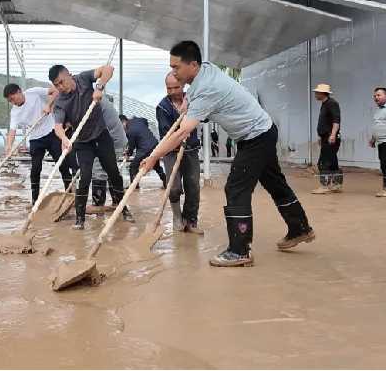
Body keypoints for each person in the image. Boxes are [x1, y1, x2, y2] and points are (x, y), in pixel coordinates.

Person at [140, 40, 316, 267]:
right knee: (275, 183)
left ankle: (240, 250)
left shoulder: (207, 89)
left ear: (193, 65)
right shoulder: (206, 71)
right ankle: (300, 228)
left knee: (235, 188)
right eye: (171, 67)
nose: (173, 73)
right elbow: (193, 96)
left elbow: (182, 133)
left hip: (255, 136)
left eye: (176, 68)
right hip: (263, 130)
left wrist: (153, 157)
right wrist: (187, 101)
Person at [50, 64, 133, 229]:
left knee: (114, 174)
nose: (61, 87)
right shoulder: (59, 102)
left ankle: (124, 209)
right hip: (82, 142)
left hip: (102, 136)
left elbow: (108, 68)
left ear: (69, 76)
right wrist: (64, 138)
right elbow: (58, 126)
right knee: (84, 178)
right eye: (56, 85)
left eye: (62, 82)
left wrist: (99, 87)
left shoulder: (83, 79)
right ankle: (79, 220)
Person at [3, 83, 73, 205]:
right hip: (35, 138)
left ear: (19, 92)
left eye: (13, 99)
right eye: (10, 101)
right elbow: (12, 131)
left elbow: (55, 91)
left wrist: (48, 105)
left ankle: (70, 193)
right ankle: (35, 200)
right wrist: (9, 146)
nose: (12, 102)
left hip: (52, 132)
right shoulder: (15, 112)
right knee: (35, 169)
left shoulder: (33, 92)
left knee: (62, 164)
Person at [157, 72, 203, 234]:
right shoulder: (163, 107)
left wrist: (191, 123)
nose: (172, 91)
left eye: (176, 87)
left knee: (193, 184)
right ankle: (177, 217)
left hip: (190, 150)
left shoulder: (192, 101)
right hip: (171, 151)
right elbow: (166, 132)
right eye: (169, 88)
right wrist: (181, 131)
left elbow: (204, 116)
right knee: (174, 186)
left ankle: (191, 220)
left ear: (183, 85)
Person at [90, 95, 128, 209]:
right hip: (117, 139)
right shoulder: (103, 100)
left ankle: (98, 205)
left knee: (99, 169)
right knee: (111, 169)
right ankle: (117, 203)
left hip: (112, 141)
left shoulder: (95, 103)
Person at [119, 115, 167, 189]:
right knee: (156, 165)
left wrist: (128, 153)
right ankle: (166, 183)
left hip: (145, 148)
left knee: (133, 166)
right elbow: (145, 120)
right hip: (155, 144)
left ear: (123, 122)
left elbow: (132, 145)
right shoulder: (137, 120)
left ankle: (134, 186)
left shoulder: (129, 131)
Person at [312, 84, 343, 194]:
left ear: (322, 93)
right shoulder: (325, 104)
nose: (315, 94)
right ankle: (336, 185)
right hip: (326, 136)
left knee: (324, 162)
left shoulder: (331, 103)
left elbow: (336, 120)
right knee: (332, 161)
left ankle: (325, 186)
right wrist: (321, 136)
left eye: (317, 92)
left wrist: (333, 134)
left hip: (331, 137)